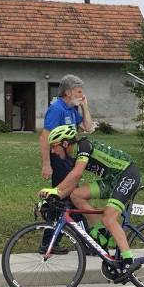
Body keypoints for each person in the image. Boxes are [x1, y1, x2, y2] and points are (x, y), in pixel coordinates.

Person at [38, 125, 142, 282]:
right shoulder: (73, 156)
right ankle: (100, 232)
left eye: (54, 146)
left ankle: (128, 262)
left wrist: (56, 190)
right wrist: (53, 197)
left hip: (127, 175)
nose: (52, 151)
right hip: (112, 180)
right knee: (76, 195)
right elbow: (72, 183)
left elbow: (77, 173)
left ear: (65, 144)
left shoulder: (83, 146)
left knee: (109, 217)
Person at [38, 74, 93, 253]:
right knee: (65, 198)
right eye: (79, 91)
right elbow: (45, 137)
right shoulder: (57, 109)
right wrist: (47, 164)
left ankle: (51, 242)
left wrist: (85, 106)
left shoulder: (71, 109)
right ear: (68, 92)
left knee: (66, 199)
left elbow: (88, 127)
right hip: (59, 158)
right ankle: (85, 242)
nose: (82, 94)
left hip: (69, 158)